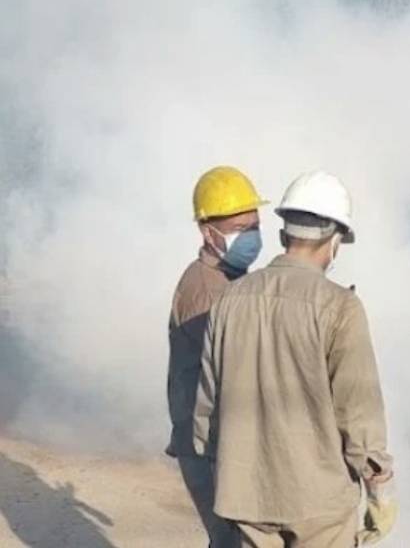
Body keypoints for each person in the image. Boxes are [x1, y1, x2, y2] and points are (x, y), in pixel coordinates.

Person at [193, 171, 395, 548]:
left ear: (284, 235)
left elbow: (208, 404)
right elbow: (358, 411)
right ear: (335, 240)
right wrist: (379, 487)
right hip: (318, 500)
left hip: (246, 497)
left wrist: (221, 470)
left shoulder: (228, 300)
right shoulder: (340, 307)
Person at [167, 166, 267, 548]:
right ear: (208, 232)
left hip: (216, 441)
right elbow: (231, 371)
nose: (252, 237)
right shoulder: (205, 291)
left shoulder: (228, 279)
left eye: (255, 225)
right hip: (210, 447)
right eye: (240, 228)